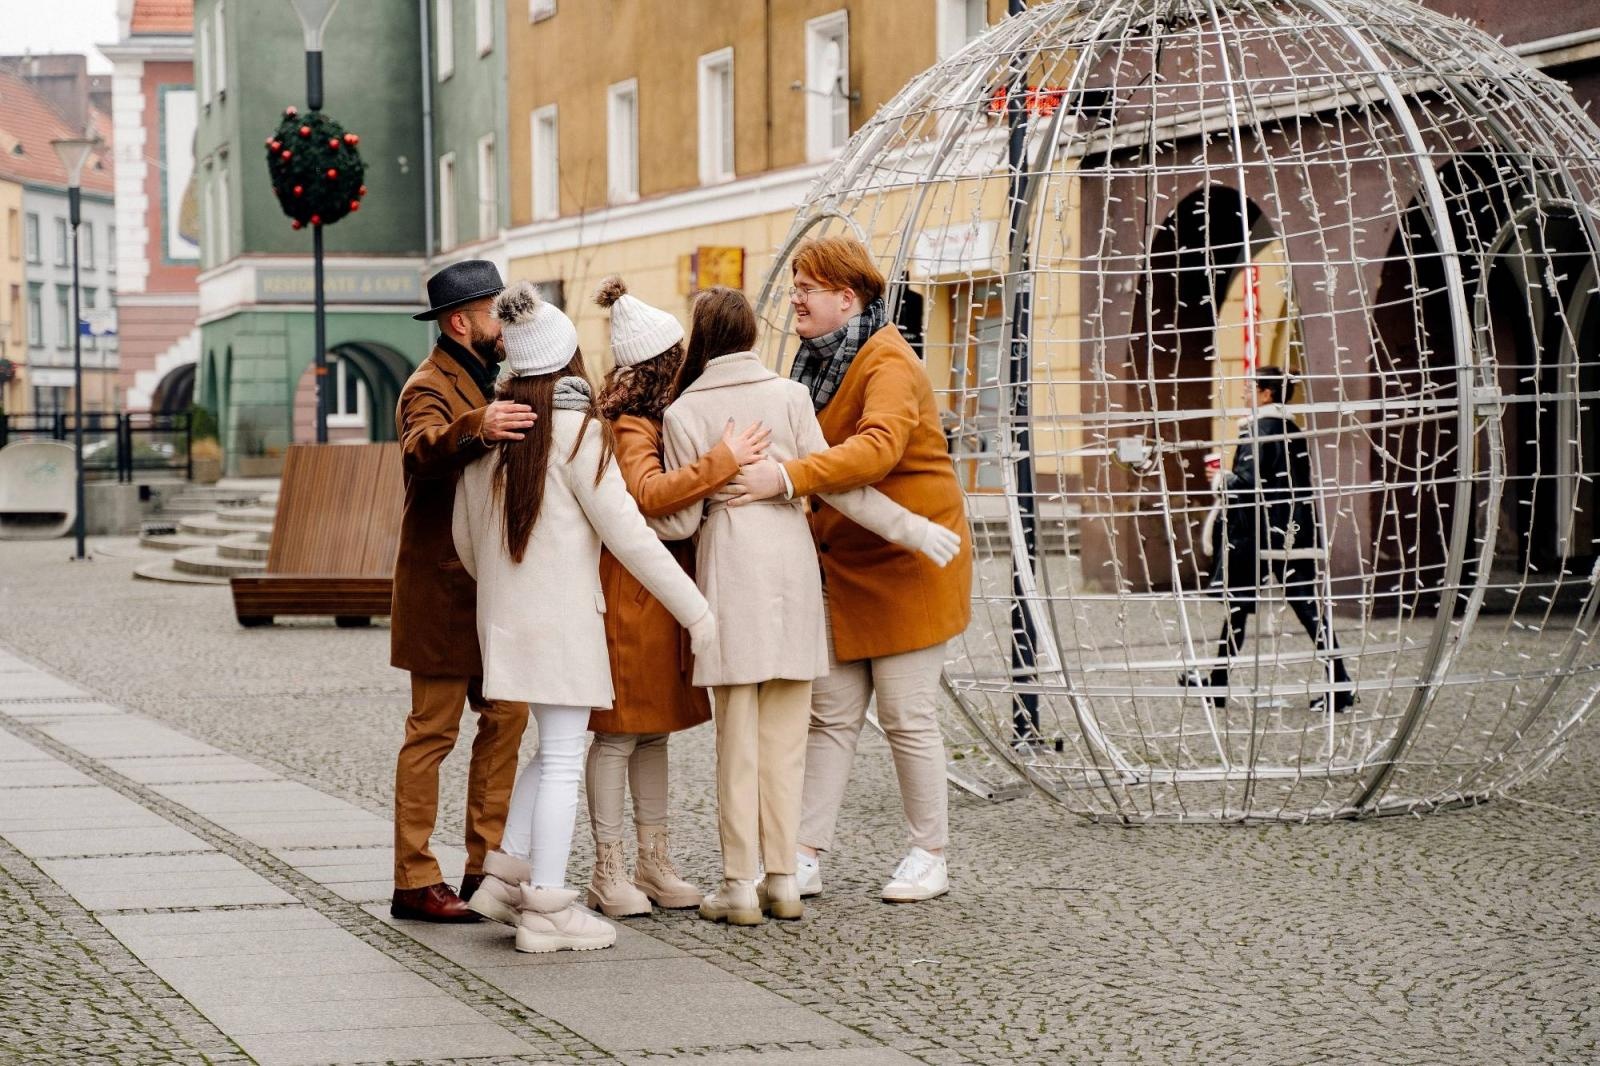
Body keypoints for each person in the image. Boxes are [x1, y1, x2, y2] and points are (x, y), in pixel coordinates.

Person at [651, 287, 959, 925]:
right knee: (792, 738)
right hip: (795, 589)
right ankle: (785, 879)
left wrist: (711, 486)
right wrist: (915, 529)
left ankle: (740, 885)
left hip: (729, 586)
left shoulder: (682, 412)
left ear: (702, 340)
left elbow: (676, 522)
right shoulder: (791, 396)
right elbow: (842, 488)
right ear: (754, 337)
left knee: (737, 744)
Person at [451, 282, 716, 953]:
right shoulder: (581, 435)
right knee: (566, 757)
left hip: (507, 623)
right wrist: (699, 614)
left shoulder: (493, 431)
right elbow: (631, 537)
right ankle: (546, 909)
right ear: (569, 359)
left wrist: (506, 591)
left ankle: (504, 877)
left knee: (553, 750)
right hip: (565, 622)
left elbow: (465, 541)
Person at [725, 236, 974, 904]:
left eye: (809, 287)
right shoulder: (819, 360)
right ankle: (804, 855)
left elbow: (876, 451)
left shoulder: (886, 360)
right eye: (796, 284)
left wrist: (786, 477)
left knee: (906, 715)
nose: (796, 298)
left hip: (911, 564)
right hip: (848, 567)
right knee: (831, 715)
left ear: (848, 297)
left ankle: (930, 854)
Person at [584, 276, 771, 918]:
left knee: (654, 733)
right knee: (617, 735)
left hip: (659, 595)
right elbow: (648, 496)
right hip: (634, 593)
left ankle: (653, 861)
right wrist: (720, 460)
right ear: (664, 364)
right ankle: (610, 870)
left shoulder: (653, 417)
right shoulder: (631, 424)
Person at [390, 260, 533, 923]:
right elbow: (422, 447)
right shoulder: (428, 385)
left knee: (507, 717)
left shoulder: (493, 375)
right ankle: (415, 879)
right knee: (432, 734)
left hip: (491, 588)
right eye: (493, 312)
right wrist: (477, 426)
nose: (502, 323)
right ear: (460, 322)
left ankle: (485, 865)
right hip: (443, 593)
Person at [1182, 366, 1354, 712]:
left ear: (1267, 394)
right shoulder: (1288, 428)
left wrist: (1220, 479)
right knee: (1271, 608)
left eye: (1250, 388)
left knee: (1257, 607)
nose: (1244, 393)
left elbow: (1248, 486)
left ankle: (1340, 685)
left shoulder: (1261, 429)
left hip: (1260, 534)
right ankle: (1339, 684)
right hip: (1288, 529)